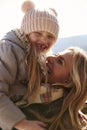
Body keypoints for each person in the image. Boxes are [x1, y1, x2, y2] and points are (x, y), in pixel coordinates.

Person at [0, 0, 59, 130]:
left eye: (50, 36)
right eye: (37, 33)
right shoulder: (10, 50)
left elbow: (45, 88)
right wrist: (20, 123)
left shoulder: (38, 56)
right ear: (26, 32)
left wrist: (68, 108)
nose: (44, 40)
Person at [22, 47, 87, 130]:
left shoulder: (39, 115)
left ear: (69, 81)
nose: (49, 58)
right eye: (56, 55)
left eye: (60, 61)